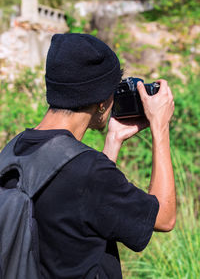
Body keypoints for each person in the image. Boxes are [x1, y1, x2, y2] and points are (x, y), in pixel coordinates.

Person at [14, 33, 176, 278]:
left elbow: (79, 205)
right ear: (102, 102)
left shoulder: (14, 151)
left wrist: (113, 140)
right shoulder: (88, 172)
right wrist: (160, 127)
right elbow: (164, 217)